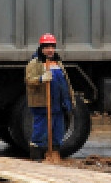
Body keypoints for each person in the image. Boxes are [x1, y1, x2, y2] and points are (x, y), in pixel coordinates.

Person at [23, 32, 74, 161]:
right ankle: (37, 156)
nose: (50, 50)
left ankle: (54, 154)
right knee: (41, 129)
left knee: (58, 130)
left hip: (58, 103)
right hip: (43, 103)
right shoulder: (35, 62)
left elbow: (66, 82)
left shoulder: (57, 62)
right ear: (41, 48)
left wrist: (69, 99)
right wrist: (41, 79)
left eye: (52, 46)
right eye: (47, 47)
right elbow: (29, 80)